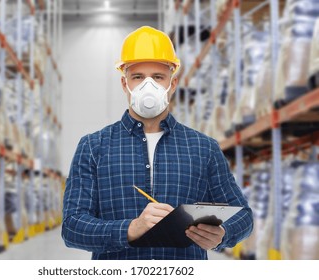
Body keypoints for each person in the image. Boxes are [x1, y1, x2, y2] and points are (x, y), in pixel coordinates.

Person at [62, 26, 253, 260]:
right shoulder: (94, 147)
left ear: (172, 84)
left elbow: (243, 215)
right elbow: (71, 227)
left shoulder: (204, 148)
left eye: (158, 77)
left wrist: (223, 234)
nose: (148, 86)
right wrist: (131, 229)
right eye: (138, 77)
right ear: (125, 84)